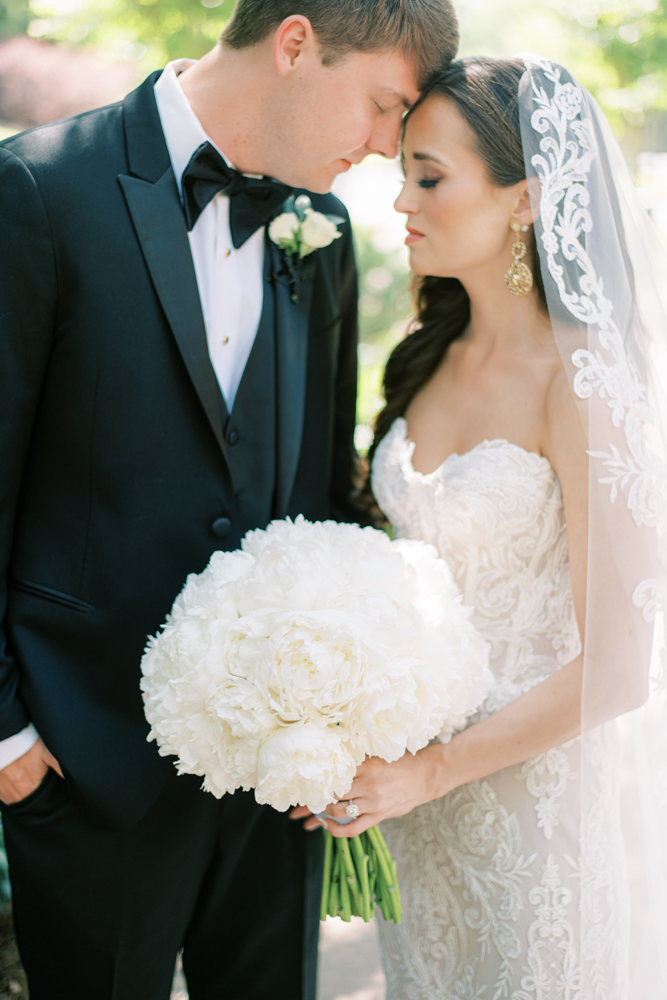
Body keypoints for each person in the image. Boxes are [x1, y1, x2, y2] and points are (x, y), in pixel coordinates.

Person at [0, 2, 460, 997]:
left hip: (276, 782)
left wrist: (340, 719)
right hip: (84, 765)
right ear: (294, 45)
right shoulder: (38, 187)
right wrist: (8, 738)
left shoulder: (321, 233)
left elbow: (318, 492)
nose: (387, 148)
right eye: (382, 108)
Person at [298, 56, 667, 998]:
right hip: (415, 822)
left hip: (532, 814)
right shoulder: (431, 351)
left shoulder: (581, 381)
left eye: (430, 176)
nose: (401, 203)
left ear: (525, 198)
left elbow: (622, 668)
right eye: (401, 175)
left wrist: (430, 772)